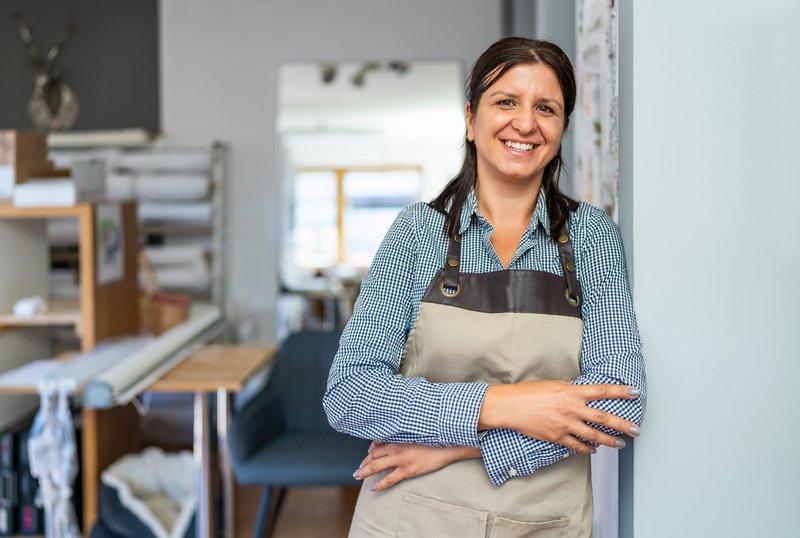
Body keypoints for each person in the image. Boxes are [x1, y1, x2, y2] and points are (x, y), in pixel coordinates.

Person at [323, 36, 646, 538]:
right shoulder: (417, 233)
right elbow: (350, 394)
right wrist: (509, 405)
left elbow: (618, 404)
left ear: (562, 128)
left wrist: (461, 445)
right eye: (506, 102)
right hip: (410, 517)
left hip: (544, 522)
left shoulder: (592, 238)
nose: (525, 123)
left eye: (546, 108)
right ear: (471, 119)